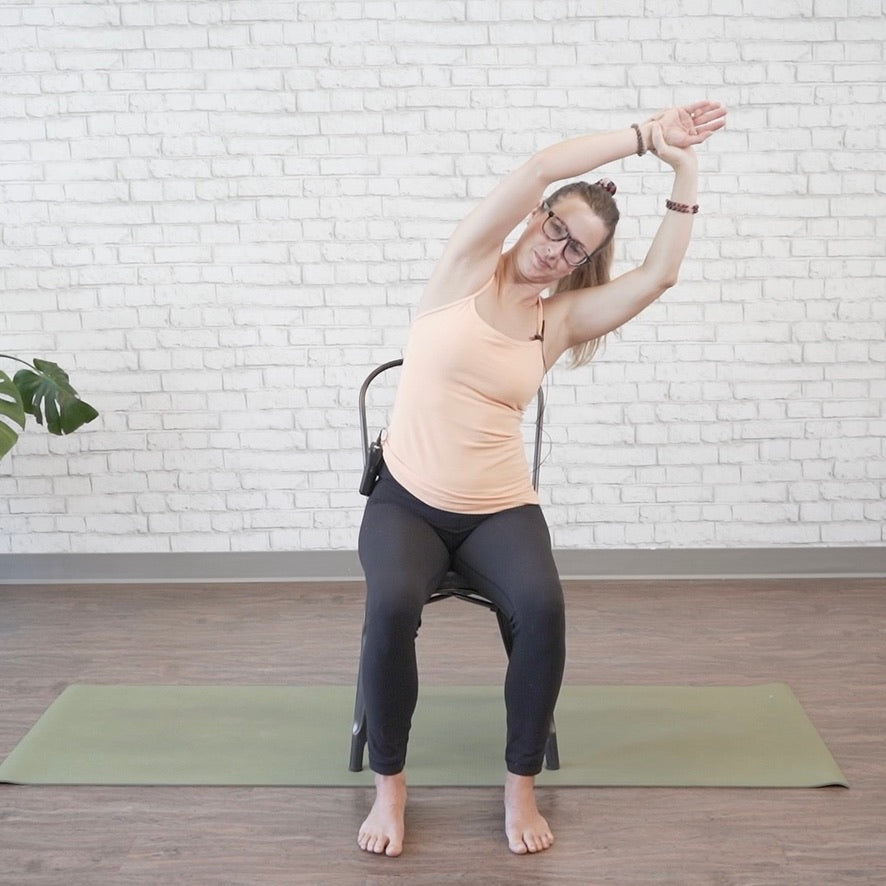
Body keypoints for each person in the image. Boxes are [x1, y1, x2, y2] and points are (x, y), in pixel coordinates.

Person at [356, 100, 728, 857]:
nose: (558, 250)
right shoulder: (464, 268)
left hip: (500, 509)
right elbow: (540, 166)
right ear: (535, 218)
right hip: (407, 502)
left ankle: (519, 786)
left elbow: (658, 276)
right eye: (556, 228)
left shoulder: (556, 321)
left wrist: (684, 170)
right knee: (391, 606)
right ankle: (389, 787)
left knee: (542, 608)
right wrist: (644, 138)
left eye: (576, 251)